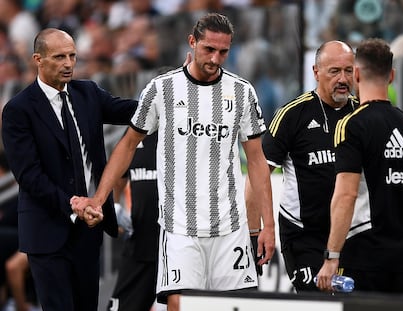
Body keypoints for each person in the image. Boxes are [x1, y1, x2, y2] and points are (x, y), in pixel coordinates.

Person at [72, 12, 275, 311]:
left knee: (236, 306)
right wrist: (100, 199)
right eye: (209, 49)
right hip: (179, 228)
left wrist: (268, 226)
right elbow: (128, 144)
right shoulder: (162, 89)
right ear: (192, 43)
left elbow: (257, 161)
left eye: (224, 51)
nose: (216, 58)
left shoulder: (242, 92)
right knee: (179, 305)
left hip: (231, 229)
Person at [1, 28, 138, 311]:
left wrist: (173, 91)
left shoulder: (87, 92)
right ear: (38, 59)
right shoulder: (18, 109)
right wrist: (72, 204)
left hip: (89, 227)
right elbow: (28, 176)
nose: (68, 64)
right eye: (59, 57)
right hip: (47, 230)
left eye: (72, 56)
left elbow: (132, 111)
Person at [247, 40, 357, 292]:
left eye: (348, 71)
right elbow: (258, 175)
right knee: (317, 301)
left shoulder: (360, 114)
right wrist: (256, 232)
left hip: (350, 235)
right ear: (316, 72)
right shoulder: (292, 114)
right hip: (303, 234)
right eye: (334, 71)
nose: (343, 79)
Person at [316, 38, 403, 294]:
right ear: (391, 76)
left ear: (356, 74)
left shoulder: (351, 125)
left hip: (364, 258)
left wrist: (332, 256)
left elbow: (346, 195)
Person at [107, 132, 159, 311]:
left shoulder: (183, 128)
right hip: (139, 244)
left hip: (177, 247)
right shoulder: (135, 132)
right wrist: (115, 208)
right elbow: (117, 177)